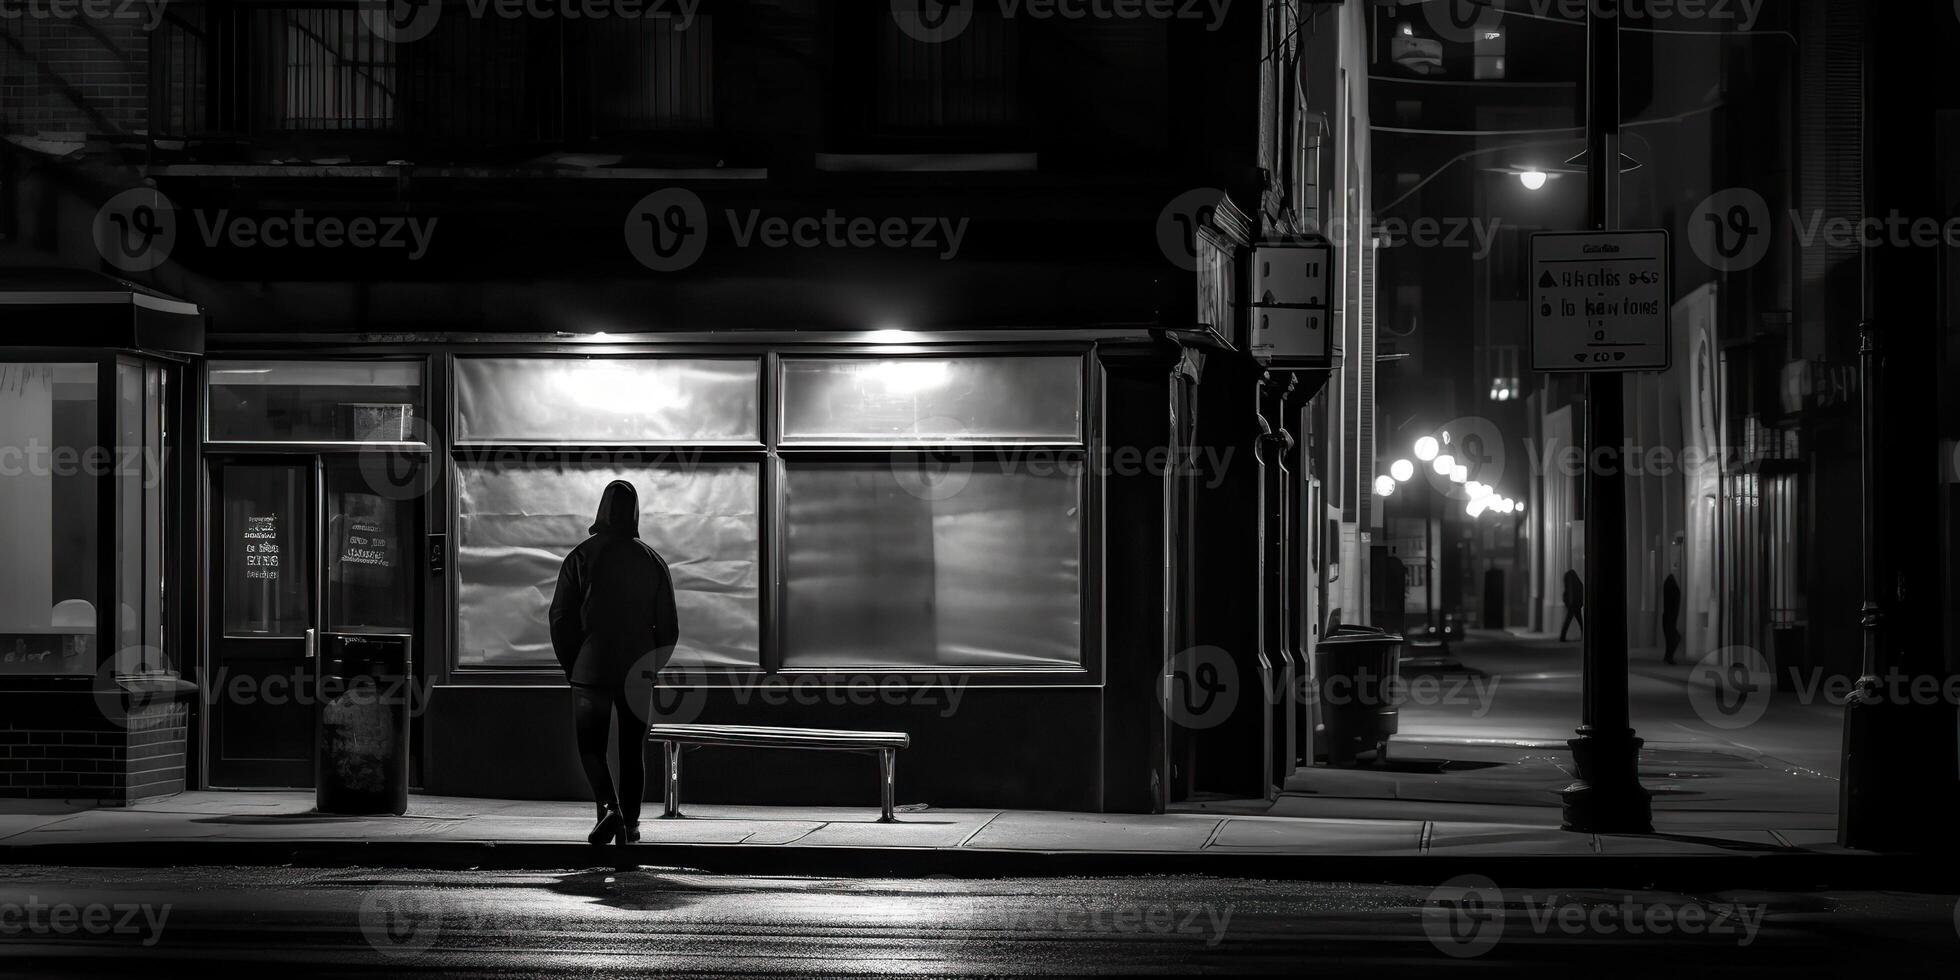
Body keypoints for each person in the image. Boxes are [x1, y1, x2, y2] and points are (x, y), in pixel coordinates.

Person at [550, 480, 680, 846]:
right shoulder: (652, 561)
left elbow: (560, 619)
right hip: (637, 671)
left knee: (591, 746)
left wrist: (573, 664)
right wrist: (652, 664)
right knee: (632, 750)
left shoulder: (579, 557)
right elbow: (669, 628)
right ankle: (631, 825)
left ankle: (609, 808)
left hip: (590, 670)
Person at [1661, 572, 1683, 665]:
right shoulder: (1674, 590)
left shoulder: (1668, 589)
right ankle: (1668, 657)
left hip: (1667, 618)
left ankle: (1668, 656)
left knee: (1671, 639)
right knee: (1674, 638)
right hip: (1670, 619)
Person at [1559, 568, 1584, 643]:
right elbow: (1573, 591)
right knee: (1578, 620)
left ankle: (1562, 636)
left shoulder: (1568, 578)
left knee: (1571, 620)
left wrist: (1569, 602)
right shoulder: (1574, 581)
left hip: (1573, 604)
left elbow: (1568, 591)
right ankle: (1563, 637)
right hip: (1574, 604)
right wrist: (1572, 602)